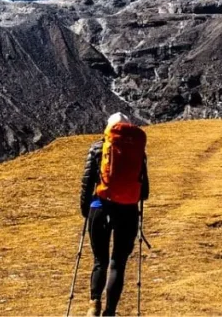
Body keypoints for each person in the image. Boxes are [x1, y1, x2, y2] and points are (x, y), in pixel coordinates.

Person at [79, 113, 149, 317]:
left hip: (100, 207)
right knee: (118, 263)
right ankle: (110, 312)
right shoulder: (138, 151)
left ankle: (94, 305)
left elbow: (86, 184)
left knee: (100, 259)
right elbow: (144, 191)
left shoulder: (97, 148)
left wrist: (86, 211)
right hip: (128, 211)